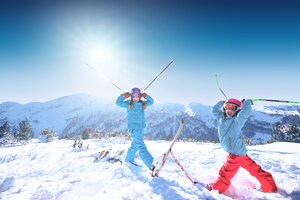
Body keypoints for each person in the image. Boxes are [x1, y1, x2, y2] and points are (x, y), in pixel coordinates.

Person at [208, 98, 277, 194]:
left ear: (237, 110)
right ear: (224, 108)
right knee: (255, 170)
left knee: (225, 174)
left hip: (235, 154)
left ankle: (214, 189)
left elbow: (245, 114)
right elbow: (214, 110)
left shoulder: (237, 121)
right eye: (227, 107)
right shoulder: (221, 118)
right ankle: (270, 187)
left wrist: (247, 103)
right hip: (240, 153)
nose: (230, 110)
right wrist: (222, 102)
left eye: (233, 108)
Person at [116, 87, 155, 170]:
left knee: (134, 145)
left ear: (140, 97)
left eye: (137, 97)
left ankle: (128, 160)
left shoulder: (143, 104)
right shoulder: (128, 104)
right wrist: (123, 96)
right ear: (131, 97)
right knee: (141, 146)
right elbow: (118, 103)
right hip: (134, 128)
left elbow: (151, 101)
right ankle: (151, 165)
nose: (136, 99)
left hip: (141, 128)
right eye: (134, 97)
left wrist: (146, 96)